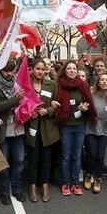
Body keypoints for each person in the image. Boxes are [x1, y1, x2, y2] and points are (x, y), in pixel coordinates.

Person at [54, 60, 97, 196]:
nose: (72, 70)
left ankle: (74, 182)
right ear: (65, 70)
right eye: (69, 68)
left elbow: (88, 102)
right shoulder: (59, 85)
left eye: (74, 68)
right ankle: (65, 182)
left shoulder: (82, 85)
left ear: (77, 71)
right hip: (65, 125)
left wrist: (85, 107)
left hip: (80, 125)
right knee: (66, 156)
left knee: (77, 156)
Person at [0, 58, 27, 204]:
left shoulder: (18, 83)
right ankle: (4, 190)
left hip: (18, 128)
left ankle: (17, 189)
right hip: (4, 129)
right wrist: (16, 99)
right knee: (4, 162)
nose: (9, 73)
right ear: (0, 71)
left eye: (12, 70)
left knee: (19, 161)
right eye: (6, 71)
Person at [25, 58, 60, 202]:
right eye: (37, 69)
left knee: (46, 160)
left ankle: (45, 187)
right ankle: (32, 187)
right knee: (33, 159)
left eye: (42, 69)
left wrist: (48, 110)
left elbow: (58, 105)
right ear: (32, 70)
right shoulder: (26, 86)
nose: (40, 71)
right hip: (32, 127)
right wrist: (29, 112)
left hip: (48, 128)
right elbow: (20, 106)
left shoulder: (52, 85)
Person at [84, 72, 107, 194]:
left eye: (106, 80)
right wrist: (85, 110)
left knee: (100, 156)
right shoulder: (92, 95)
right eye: (102, 80)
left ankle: (98, 178)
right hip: (91, 129)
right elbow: (85, 108)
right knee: (91, 154)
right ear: (98, 83)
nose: (104, 82)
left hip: (104, 130)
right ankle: (88, 175)